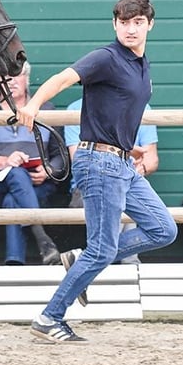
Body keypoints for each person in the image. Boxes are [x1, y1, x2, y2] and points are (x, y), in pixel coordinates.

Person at [17, 0, 177, 342]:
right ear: (114, 24)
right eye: (123, 22)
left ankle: (79, 258)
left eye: (137, 23)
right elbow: (63, 79)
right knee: (103, 249)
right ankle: (49, 317)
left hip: (123, 162)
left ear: (150, 24)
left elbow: (118, 109)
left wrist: (129, 147)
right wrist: (33, 106)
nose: (130, 29)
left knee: (164, 229)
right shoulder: (106, 57)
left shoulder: (140, 64)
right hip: (99, 163)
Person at [0, 61, 64, 265]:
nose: (10, 81)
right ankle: (43, 240)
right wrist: (5, 161)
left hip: (38, 185)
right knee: (15, 172)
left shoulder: (46, 110)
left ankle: (14, 263)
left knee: (13, 201)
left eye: (16, 75)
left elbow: (60, 156)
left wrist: (48, 170)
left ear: (26, 79)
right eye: (4, 77)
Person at [65, 97, 159, 266]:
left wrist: (134, 170)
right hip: (90, 183)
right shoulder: (76, 108)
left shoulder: (141, 105)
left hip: (130, 179)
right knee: (117, 188)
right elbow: (78, 158)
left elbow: (151, 160)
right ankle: (128, 263)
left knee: (124, 189)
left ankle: (86, 261)